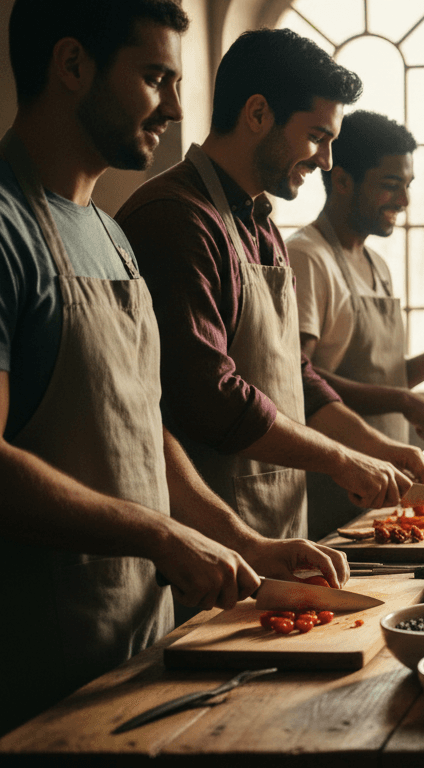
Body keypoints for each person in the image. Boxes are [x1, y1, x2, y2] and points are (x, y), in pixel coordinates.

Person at [0, 0, 346, 734]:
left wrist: (240, 539)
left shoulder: (107, 232)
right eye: (157, 77)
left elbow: (142, 424)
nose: (178, 107)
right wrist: (159, 536)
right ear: (71, 65)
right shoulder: (9, 229)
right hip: (39, 662)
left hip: (143, 642)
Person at [116, 29, 424, 544]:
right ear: (258, 113)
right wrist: (340, 458)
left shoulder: (261, 222)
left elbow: (296, 374)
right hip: (215, 536)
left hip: (277, 526)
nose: (327, 162)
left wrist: (377, 446)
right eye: (317, 137)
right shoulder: (177, 218)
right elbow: (208, 394)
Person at [285, 110, 424, 537]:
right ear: (343, 179)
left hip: (385, 491)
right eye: (390, 185)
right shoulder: (308, 257)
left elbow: (381, 377)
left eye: (407, 186)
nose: (403, 201)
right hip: (334, 486)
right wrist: (404, 401)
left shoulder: (376, 264)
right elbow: (298, 378)